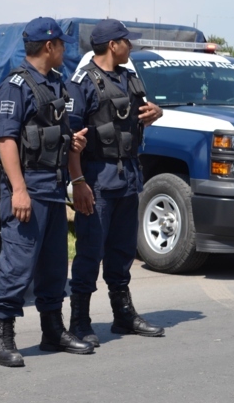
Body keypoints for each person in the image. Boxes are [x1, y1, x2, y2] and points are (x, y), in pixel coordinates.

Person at [0, 17, 94, 367]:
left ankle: (53, 330)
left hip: (52, 188)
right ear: (49, 46)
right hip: (29, 190)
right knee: (17, 266)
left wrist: (72, 146)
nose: (65, 49)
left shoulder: (56, 84)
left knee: (53, 267)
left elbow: (57, 134)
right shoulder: (15, 86)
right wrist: (18, 190)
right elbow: (6, 141)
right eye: (61, 44)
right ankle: (2, 338)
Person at [65, 19, 165, 347]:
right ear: (112, 45)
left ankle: (123, 315)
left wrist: (157, 112)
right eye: (126, 41)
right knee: (90, 252)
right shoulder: (81, 84)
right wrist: (78, 181)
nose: (130, 46)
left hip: (128, 179)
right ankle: (79, 321)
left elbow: (140, 116)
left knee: (122, 252)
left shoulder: (128, 77)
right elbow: (71, 139)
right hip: (97, 179)